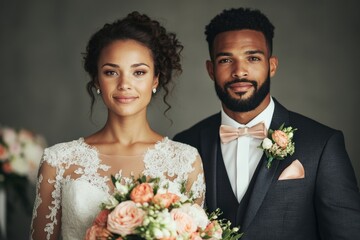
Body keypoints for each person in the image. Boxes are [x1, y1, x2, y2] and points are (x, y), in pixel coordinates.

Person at [174, 7, 360, 240]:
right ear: (211, 70)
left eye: (252, 58)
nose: (239, 71)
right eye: (225, 59)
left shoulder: (322, 144)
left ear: (271, 65)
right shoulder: (184, 146)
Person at [30, 11, 205, 240]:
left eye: (139, 72)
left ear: (155, 79)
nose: (124, 84)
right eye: (111, 72)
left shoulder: (186, 161)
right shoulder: (57, 161)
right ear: (96, 80)